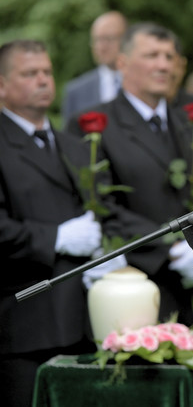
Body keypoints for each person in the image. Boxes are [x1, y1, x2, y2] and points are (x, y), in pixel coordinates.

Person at [64, 25, 193, 407]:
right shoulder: (93, 124)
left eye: (168, 56)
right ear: (123, 62)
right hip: (137, 287)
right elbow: (99, 205)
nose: (163, 65)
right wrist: (168, 246)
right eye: (151, 56)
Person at [0, 39, 126, 407]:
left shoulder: (75, 146)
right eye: (29, 73)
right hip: (24, 324)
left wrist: (108, 250)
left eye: (47, 72)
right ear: (3, 84)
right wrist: (55, 238)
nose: (43, 80)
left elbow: (106, 210)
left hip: (84, 321)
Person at [62, 11, 127, 123]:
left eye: (109, 39)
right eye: (96, 40)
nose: (101, 47)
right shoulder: (76, 91)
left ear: (126, 39)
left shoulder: (143, 83)